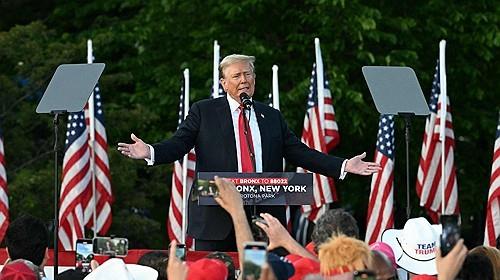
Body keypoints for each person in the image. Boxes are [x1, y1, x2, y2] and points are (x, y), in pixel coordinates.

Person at [118, 54, 380, 251]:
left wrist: (343, 166)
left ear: (254, 79)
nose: (243, 80)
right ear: (224, 83)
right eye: (236, 76)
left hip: (263, 218)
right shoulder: (204, 111)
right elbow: (178, 144)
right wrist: (150, 151)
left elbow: (300, 153)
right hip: (215, 216)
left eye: (248, 74)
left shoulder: (271, 116)